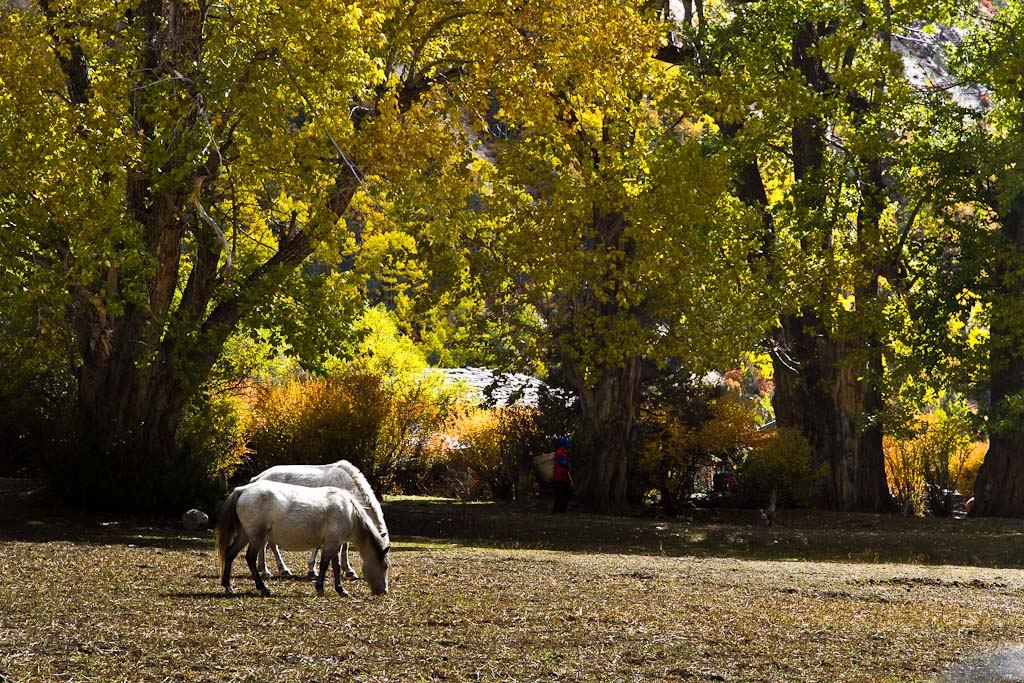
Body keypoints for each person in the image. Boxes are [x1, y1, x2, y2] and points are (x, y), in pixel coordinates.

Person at [552, 436, 572, 513]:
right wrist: (567, 465)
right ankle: (559, 510)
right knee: (561, 495)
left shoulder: (562, 453)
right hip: (559, 477)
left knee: (562, 494)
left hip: (562, 476)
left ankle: (560, 510)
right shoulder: (560, 453)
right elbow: (561, 462)